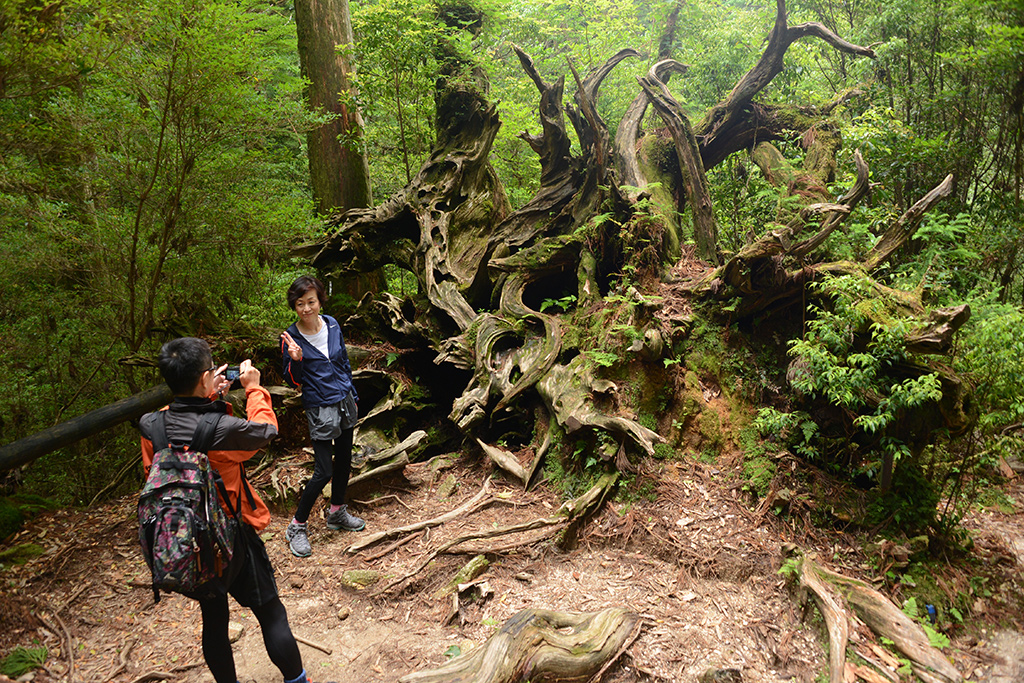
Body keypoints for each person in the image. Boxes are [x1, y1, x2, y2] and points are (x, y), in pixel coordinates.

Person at [139, 337, 329, 683]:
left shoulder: (152, 425)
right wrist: (254, 388)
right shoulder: (221, 431)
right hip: (232, 535)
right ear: (201, 379)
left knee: (214, 621)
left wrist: (212, 397)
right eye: (211, 371)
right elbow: (265, 431)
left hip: (187, 541)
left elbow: (164, 459)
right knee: (270, 611)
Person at [280, 275, 364, 559]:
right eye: (300, 303)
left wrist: (352, 391)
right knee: (323, 470)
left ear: (319, 301)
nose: (306, 308)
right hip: (319, 407)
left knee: (344, 461)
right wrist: (295, 359)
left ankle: (337, 511)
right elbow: (293, 380)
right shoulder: (291, 338)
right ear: (294, 305)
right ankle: (297, 525)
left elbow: (343, 361)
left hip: (344, 400)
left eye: (311, 302)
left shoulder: (332, 324)